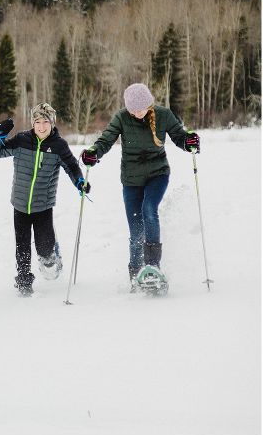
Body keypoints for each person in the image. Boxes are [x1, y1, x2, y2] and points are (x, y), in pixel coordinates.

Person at [80, 83, 200, 292]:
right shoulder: (121, 117)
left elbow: (180, 137)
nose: (136, 114)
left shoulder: (163, 115)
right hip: (131, 179)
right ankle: (135, 274)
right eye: (132, 110)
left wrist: (189, 141)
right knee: (136, 230)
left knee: (149, 210)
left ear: (149, 104)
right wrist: (94, 153)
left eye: (140, 109)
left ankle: (153, 267)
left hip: (158, 174)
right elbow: (106, 139)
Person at [0, 103, 88, 296]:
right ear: (32, 123)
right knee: (22, 247)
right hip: (20, 204)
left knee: (45, 253)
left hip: (43, 206)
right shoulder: (21, 140)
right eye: (37, 122)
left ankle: (52, 256)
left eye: (45, 122)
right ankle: (24, 280)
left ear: (52, 123)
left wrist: (80, 182)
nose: (41, 126)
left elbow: (72, 167)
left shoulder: (59, 146)